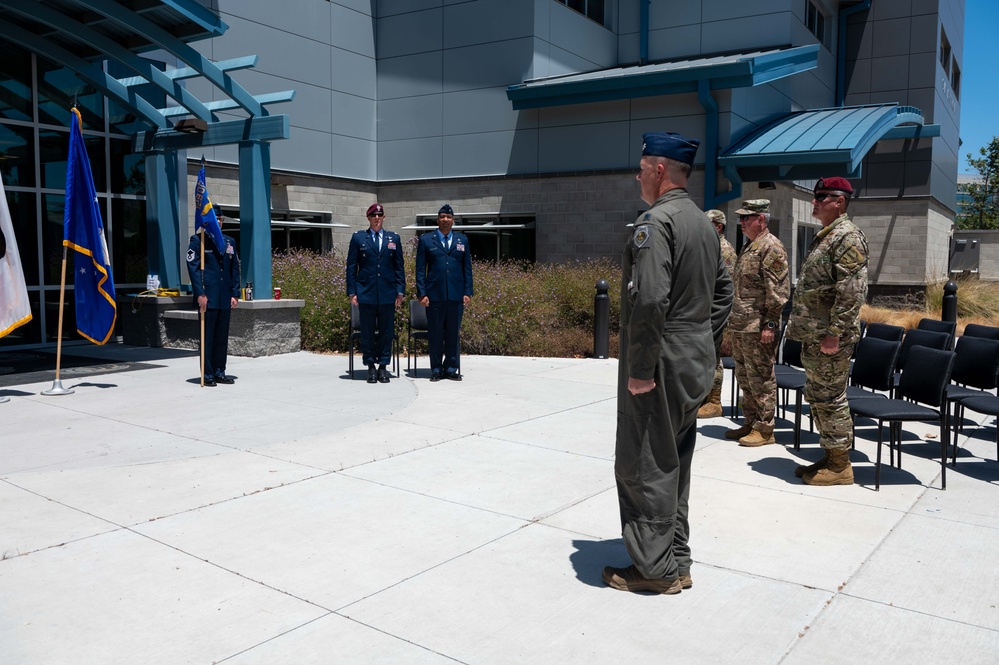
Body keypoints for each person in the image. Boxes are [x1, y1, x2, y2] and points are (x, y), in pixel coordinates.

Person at [603, 132, 733, 594]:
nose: (637, 176)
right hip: (692, 356)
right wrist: (702, 341)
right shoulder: (702, 222)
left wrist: (641, 369)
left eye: (641, 169)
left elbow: (651, 299)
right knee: (675, 458)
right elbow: (724, 293)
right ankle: (676, 559)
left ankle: (654, 570)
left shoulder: (654, 224)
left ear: (659, 171)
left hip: (659, 360)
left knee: (644, 461)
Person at [786, 177, 869, 485]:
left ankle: (840, 465)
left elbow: (851, 291)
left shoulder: (847, 237)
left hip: (830, 336)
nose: (815, 202)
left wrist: (834, 332)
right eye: (815, 197)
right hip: (816, 335)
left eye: (823, 197)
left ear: (840, 202)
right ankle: (830, 454)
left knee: (831, 397)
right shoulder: (827, 236)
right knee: (818, 395)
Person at [724, 200, 790, 446]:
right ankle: (750, 422)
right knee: (745, 376)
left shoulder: (771, 247)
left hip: (758, 326)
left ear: (761, 219)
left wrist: (770, 325)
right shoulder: (750, 246)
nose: (741, 222)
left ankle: (765, 429)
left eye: (746, 218)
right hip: (742, 324)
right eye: (740, 218)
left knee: (761, 377)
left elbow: (779, 291)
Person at [346, 203, 406, 384]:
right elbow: (351, 268)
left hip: (388, 293)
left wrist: (400, 291)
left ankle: (383, 367)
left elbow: (399, 267)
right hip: (366, 292)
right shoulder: (359, 238)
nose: (377, 219)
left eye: (380, 216)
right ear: (369, 218)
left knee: (387, 332)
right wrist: (352, 292)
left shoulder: (393, 238)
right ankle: (371, 365)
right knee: (368, 332)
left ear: (384, 217)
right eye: (374, 216)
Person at [415, 204, 473, 381]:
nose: (445, 220)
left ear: (453, 220)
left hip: (456, 295)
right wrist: (422, 293)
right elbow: (419, 270)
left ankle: (451, 368)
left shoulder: (462, 240)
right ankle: (436, 369)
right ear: (437, 220)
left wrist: (468, 292)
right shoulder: (426, 240)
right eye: (442, 217)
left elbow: (467, 268)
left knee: (453, 333)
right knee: (436, 333)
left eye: (448, 217)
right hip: (434, 296)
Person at [186, 210, 241, 387]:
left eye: (221, 219)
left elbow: (234, 269)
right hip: (207, 297)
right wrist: (200, 293)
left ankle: (219, 371)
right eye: (215, 218)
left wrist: (235, 293)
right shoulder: (198, 241)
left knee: (221, 337)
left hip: (224, 296)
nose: (219, 222)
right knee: (207, 337)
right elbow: (193, 268)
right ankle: (208, 374)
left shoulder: (229, 241)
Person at [697, 209, 737, 419]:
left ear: (719, 227)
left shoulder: (724, 250)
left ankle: (714, 401)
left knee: (713, 355)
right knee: (704, 355)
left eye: (707, 223)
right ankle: (703, 397)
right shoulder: (708, 247)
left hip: (716, 312)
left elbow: (725, 288)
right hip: (703, 311)